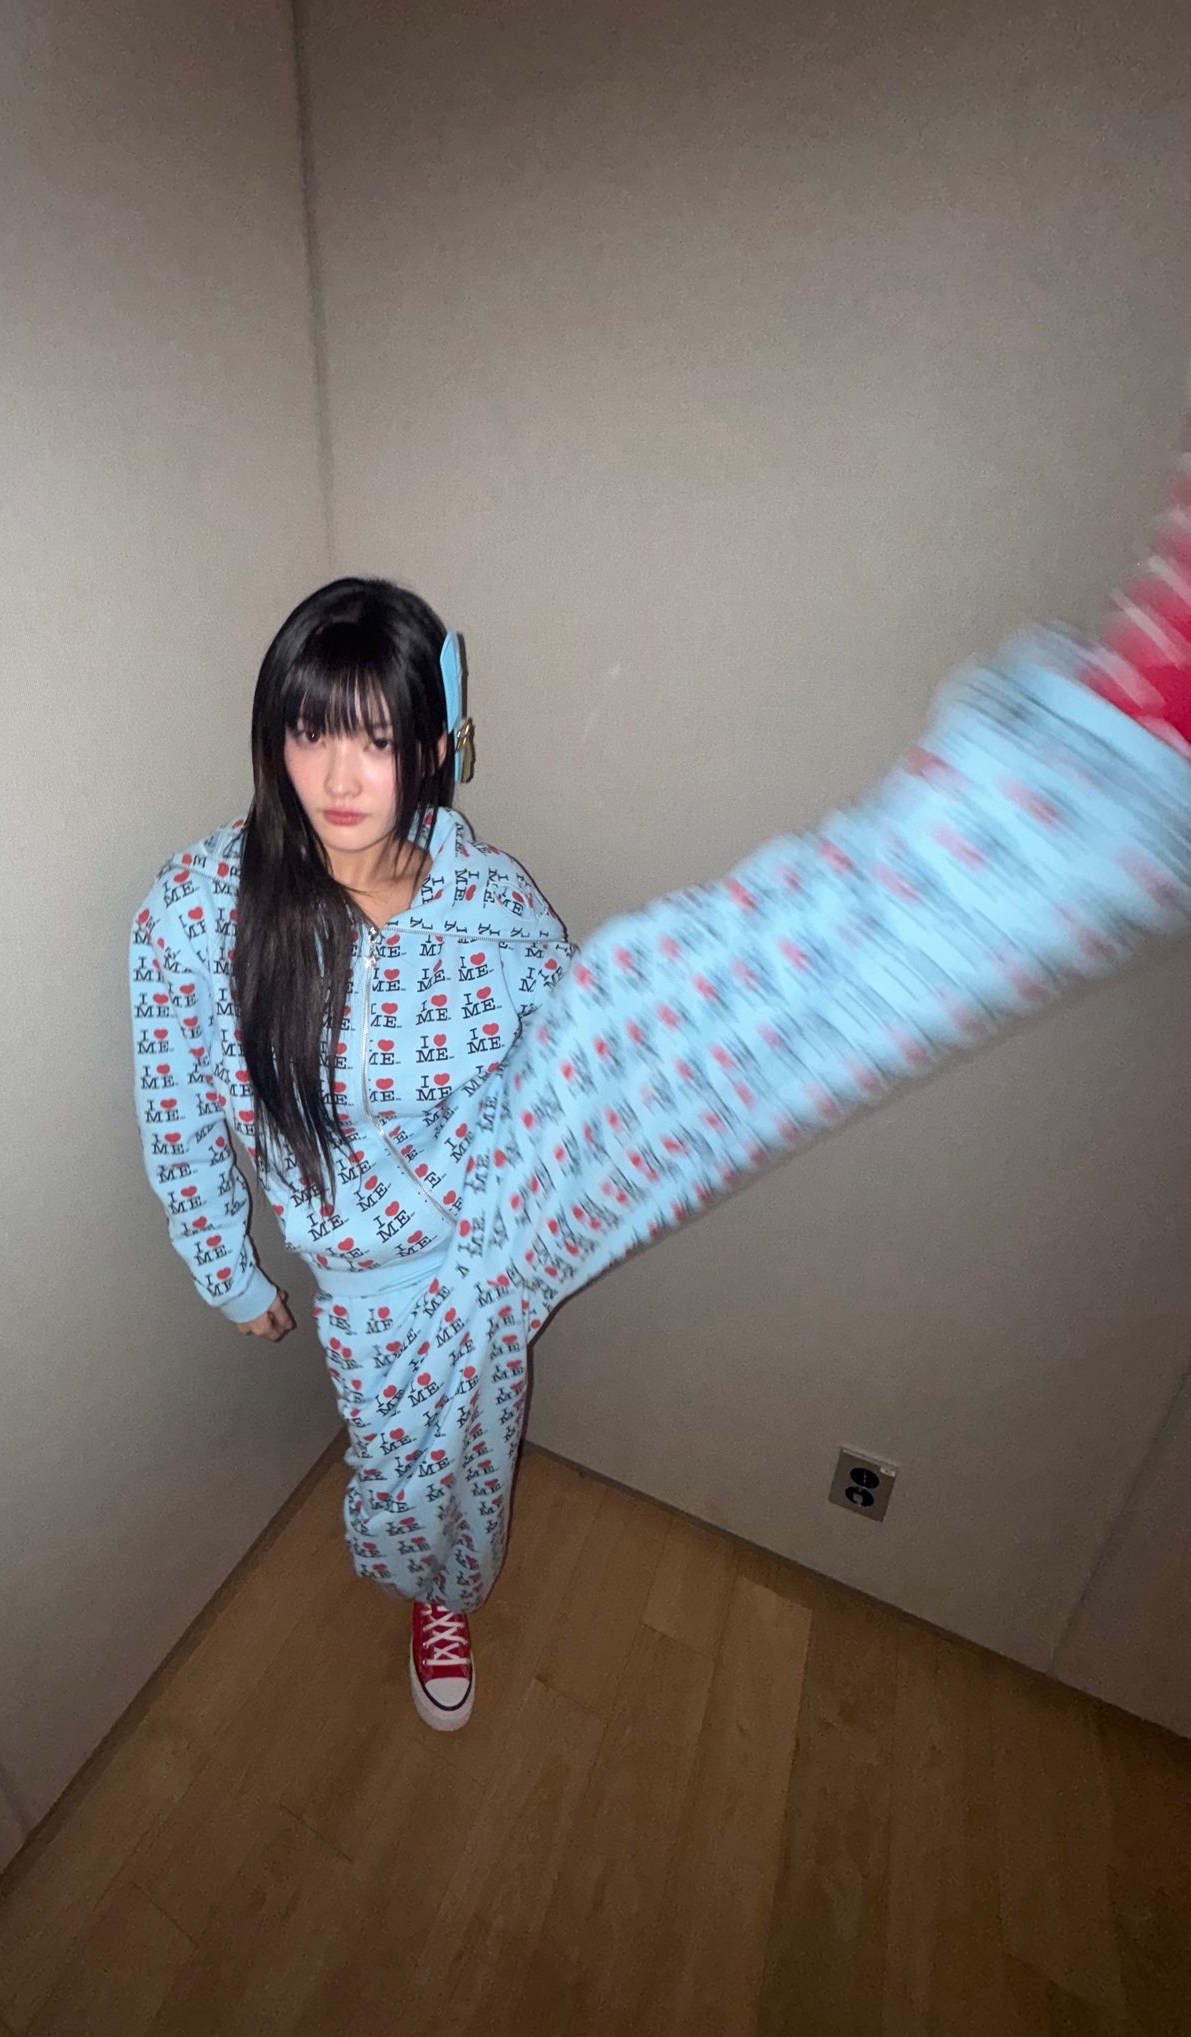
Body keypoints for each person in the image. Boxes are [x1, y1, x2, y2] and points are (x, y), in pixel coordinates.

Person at [132, 401, 1191, 1733]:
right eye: (309, 731)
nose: (339, 775)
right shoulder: (197, 912)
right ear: (273, 735)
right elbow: (179, 1111)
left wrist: (587, 1084)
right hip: (378, 1289)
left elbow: (583, 1049)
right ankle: (433, 1590)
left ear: (433, 747)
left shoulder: (489, 901)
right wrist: (225, 1267)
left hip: (511, 1201)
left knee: (667, 998)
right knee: (417, 1478)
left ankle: (1102, 769)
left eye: (378, 737)